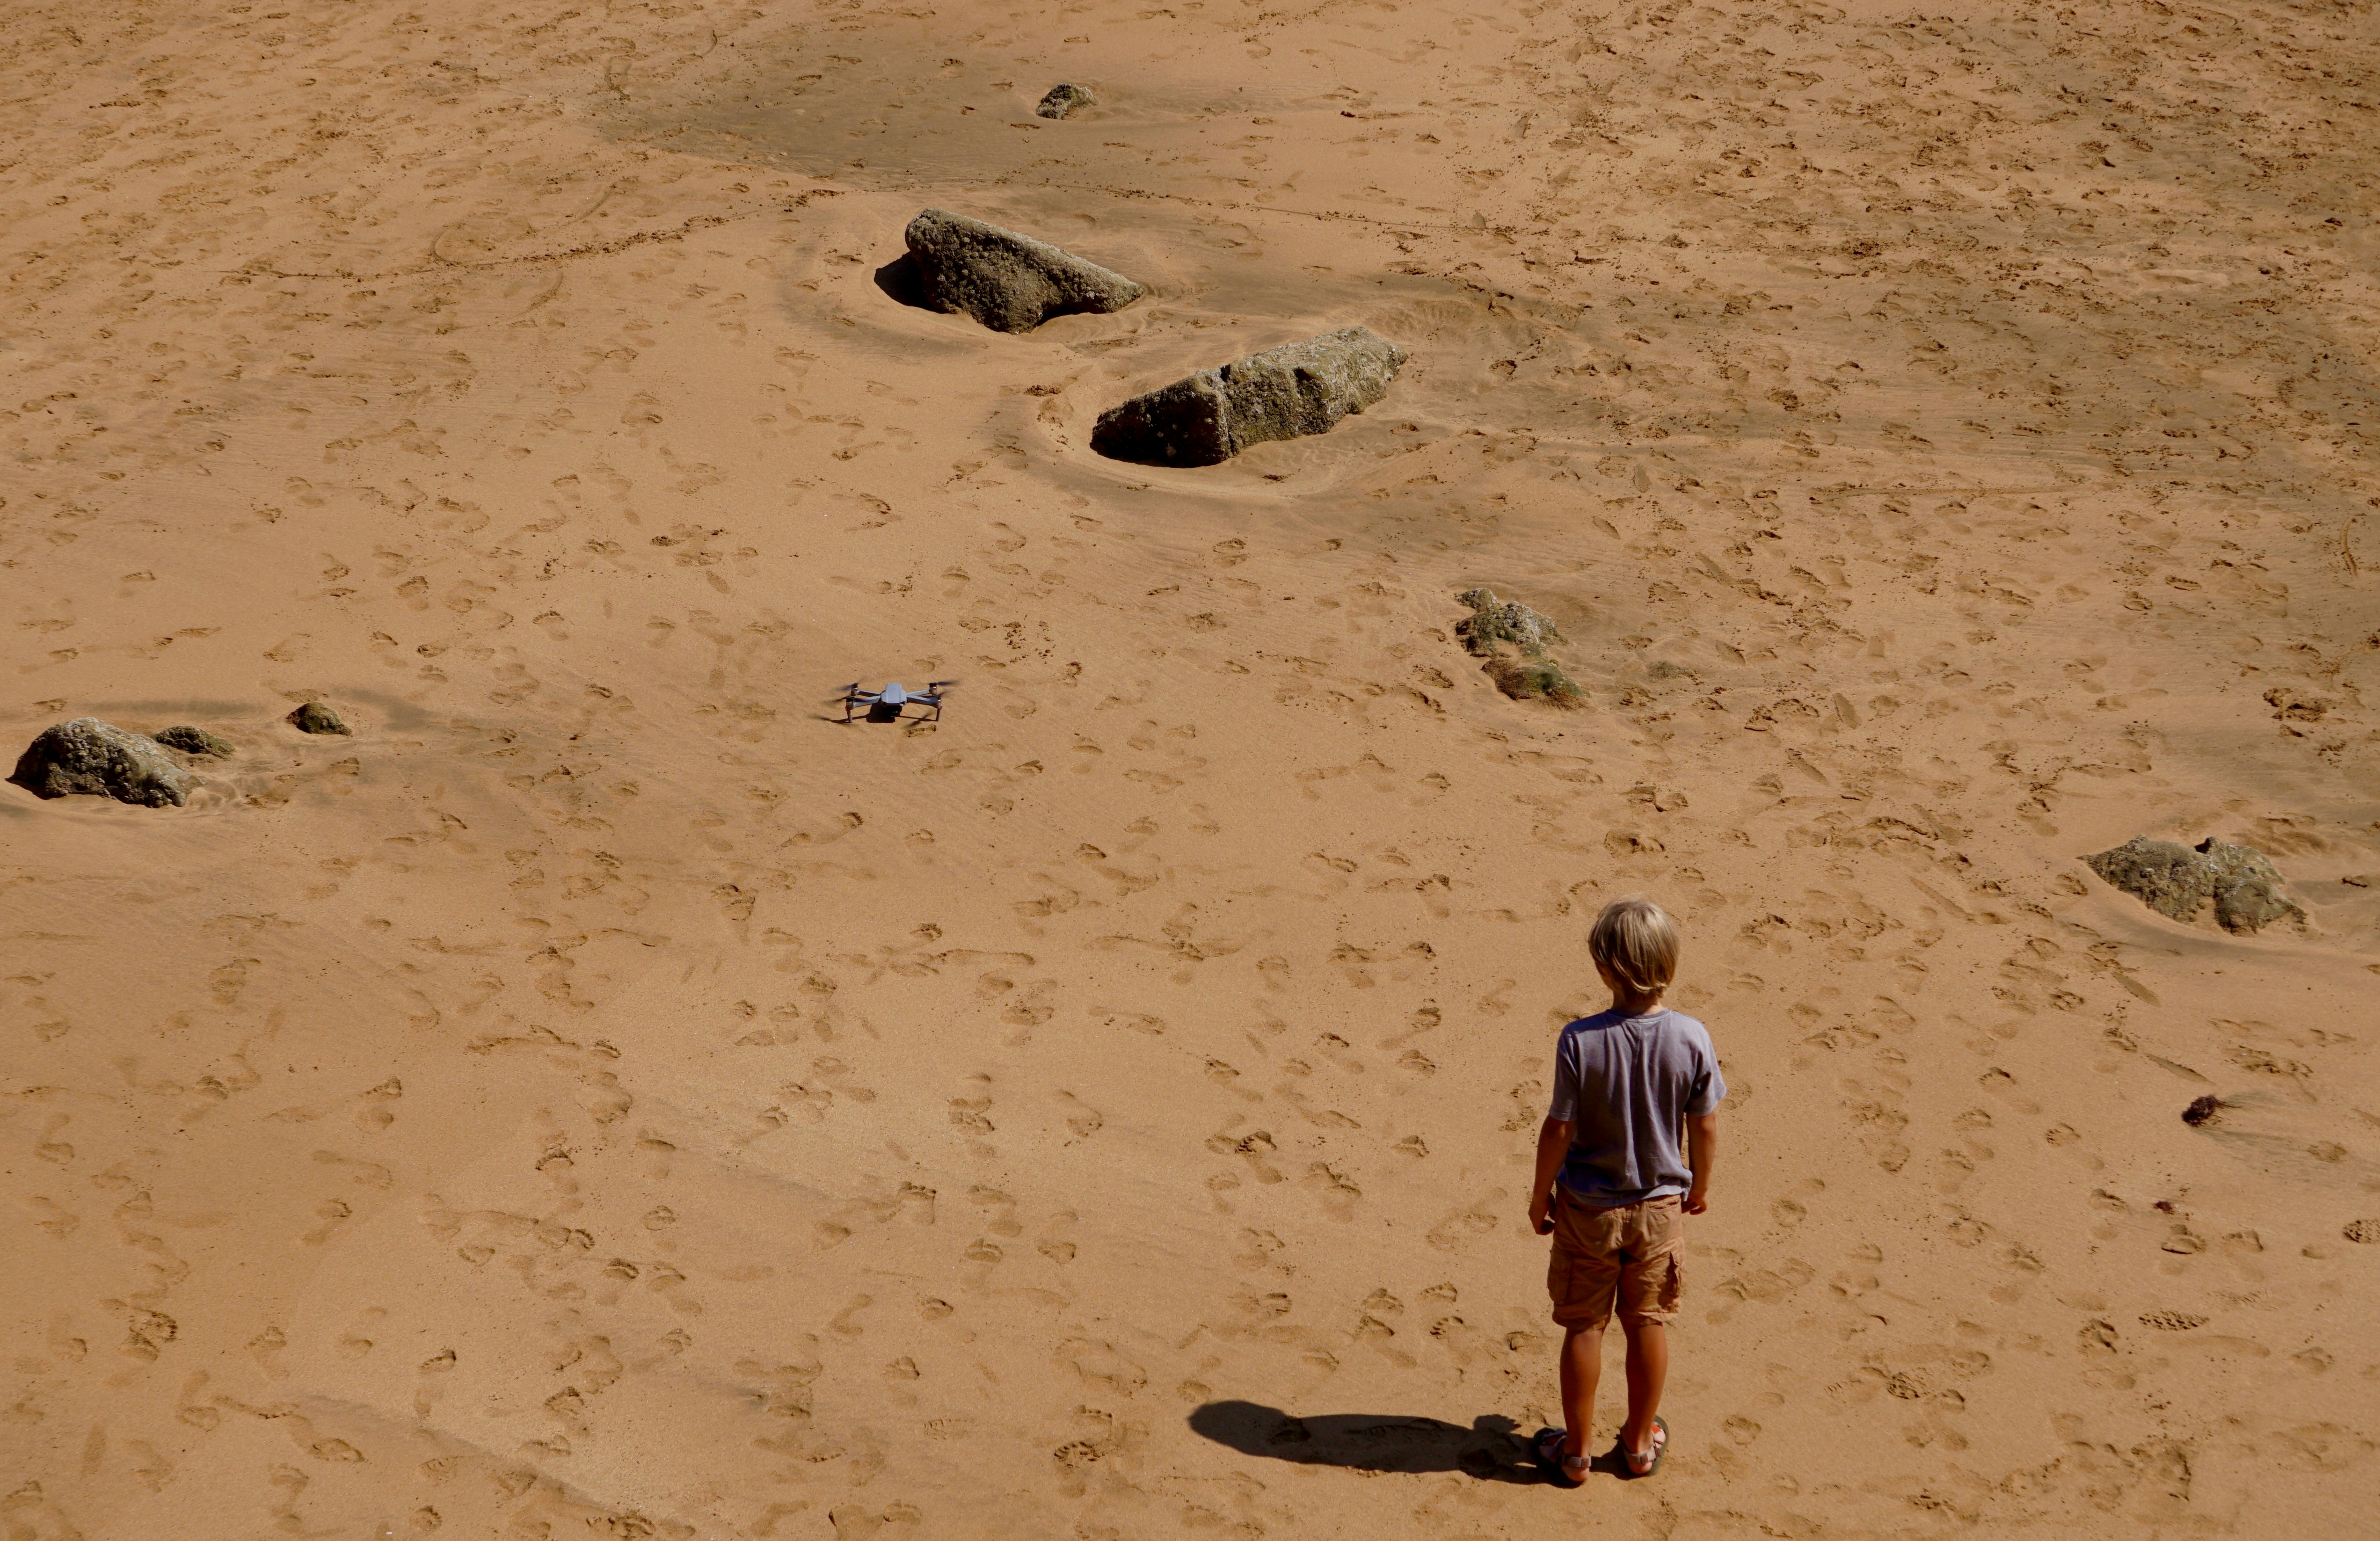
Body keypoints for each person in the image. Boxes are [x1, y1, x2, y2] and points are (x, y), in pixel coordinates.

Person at [1528, 896, 1724, 1483]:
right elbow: (1704, 1123)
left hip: (1588, 1206)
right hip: (1659, 1208)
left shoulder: (1579, 1040)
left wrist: (1540, 1196)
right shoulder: (1691, 1036)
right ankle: (1639, 1444)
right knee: (1647, 1321)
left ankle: (1576, 1451)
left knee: (1584, 1326)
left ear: (1605, 969)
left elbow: (1559, 1127)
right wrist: (1701, 1185)